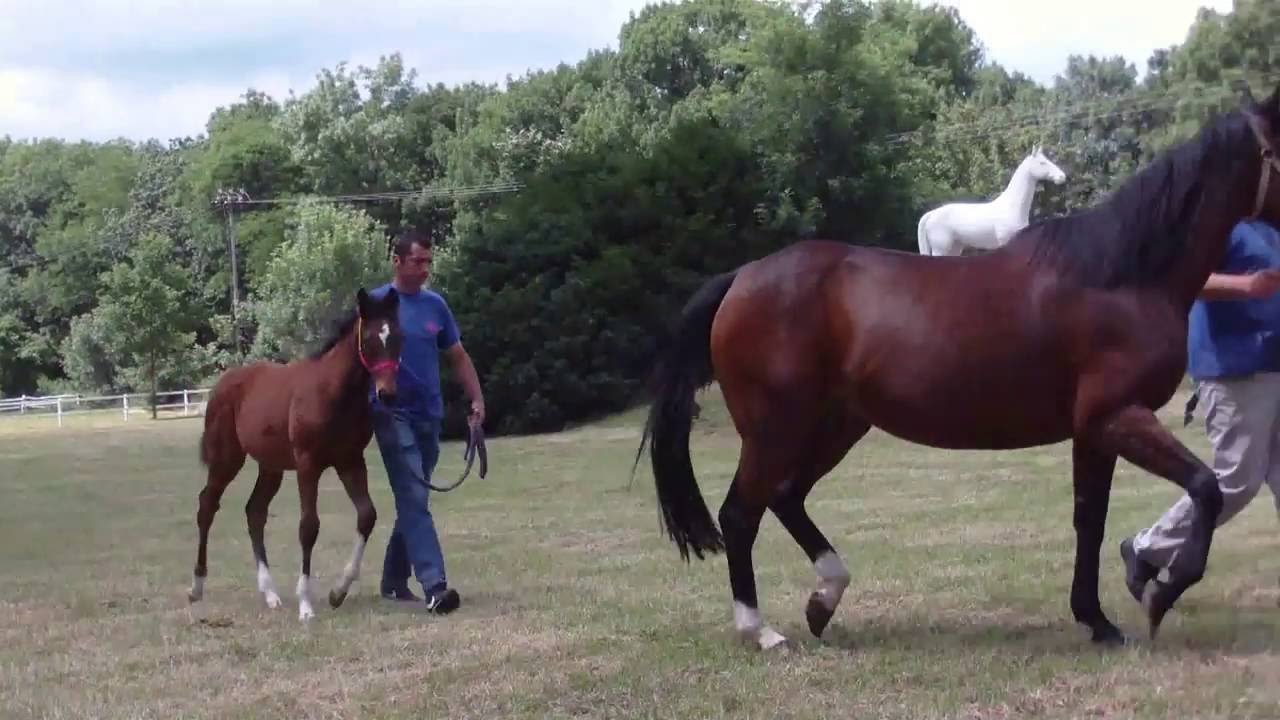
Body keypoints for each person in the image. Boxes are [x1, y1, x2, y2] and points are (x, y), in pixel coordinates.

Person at [1119, 218, 1280, 604]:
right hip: (1235, 368)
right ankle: (1147, 548)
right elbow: (1179, 277)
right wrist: (1247, 285)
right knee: (1236, 481)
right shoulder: (1222, 216)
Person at [369, 226, 485, 614]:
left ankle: (391, 581)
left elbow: (457, 356)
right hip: (391, 414)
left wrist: (476, 399)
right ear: (397, 261)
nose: (424, 269)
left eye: (428, 262)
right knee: (415, 496)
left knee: (412, 500)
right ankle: (435, 586)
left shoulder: (436, 306)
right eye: (417, 261)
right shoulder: (376, 304)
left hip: (428, 417)